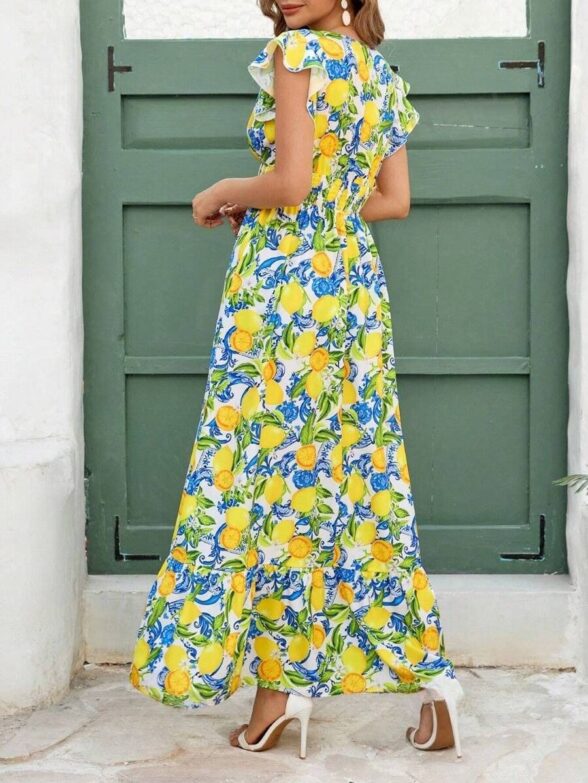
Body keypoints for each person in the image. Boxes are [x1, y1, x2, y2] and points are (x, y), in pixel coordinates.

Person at [129, 0, 465, 760]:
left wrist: (223, 192)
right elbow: (393, 202)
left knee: (263, 476)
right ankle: (433, 684)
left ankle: (278, 693)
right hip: (353, 291)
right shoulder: (381, 74)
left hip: (284, 295)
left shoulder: (297, 56)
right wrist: (314, 213)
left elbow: (287, 182)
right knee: (358, 479)